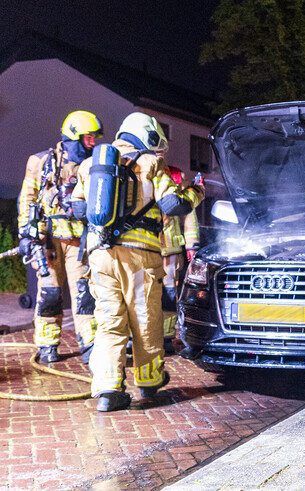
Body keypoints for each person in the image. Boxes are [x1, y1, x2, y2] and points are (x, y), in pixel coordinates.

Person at [70, 112, 204, 412]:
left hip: (100, 255)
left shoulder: (91, 164)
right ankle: (149, 380)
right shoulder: (151, 163)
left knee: (109, 322)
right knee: (145, 318)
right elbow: (174, 204)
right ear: (148, 136)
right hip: (139, 257)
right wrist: (197, 192)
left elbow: (78, 208)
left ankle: (108, 389)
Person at [17, 110, 103, 363]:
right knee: (50, 293)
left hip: (79, 241)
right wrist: (25, 234)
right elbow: (27, 198)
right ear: (74, 137)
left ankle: (90, 344)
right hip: (48, 243)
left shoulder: (92, 166)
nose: (93, 143)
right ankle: (47, 344)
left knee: (84, 294)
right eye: (88, 138)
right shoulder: (41, 162)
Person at [160, 165, 200, 354]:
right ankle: (135, 337)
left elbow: (188, 214)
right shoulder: (138, 172)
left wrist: (192, 244)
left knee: (168, 295)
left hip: (171, 248)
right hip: (146, 247)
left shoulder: (175, 175)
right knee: (141, 295)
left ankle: (167, 336)